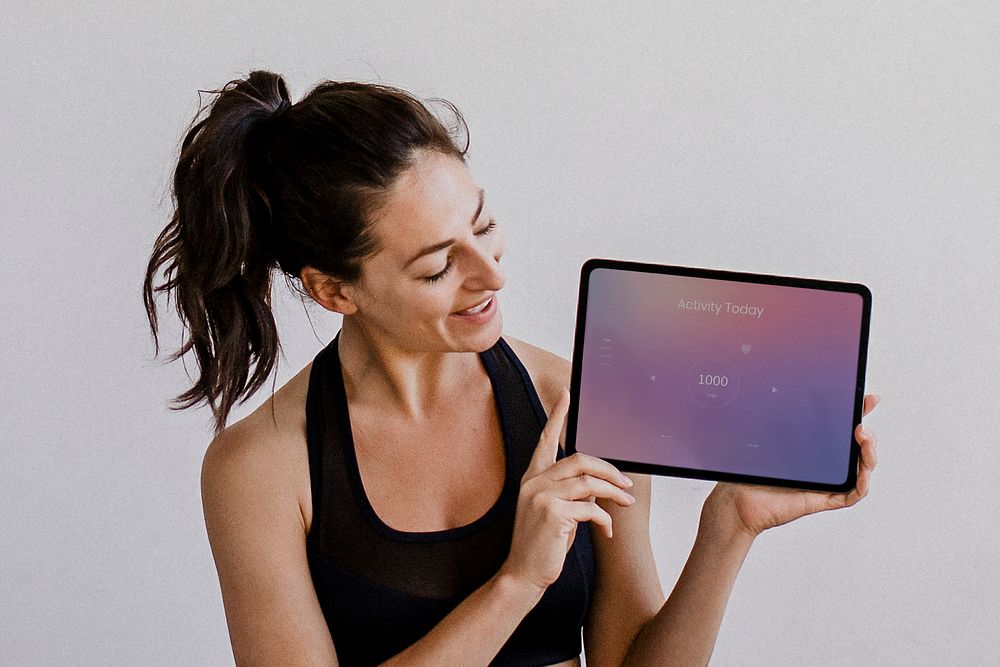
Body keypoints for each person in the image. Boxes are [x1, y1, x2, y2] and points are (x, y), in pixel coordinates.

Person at [142, 70, 880, 667]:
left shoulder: (581, 400)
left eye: (484, 225)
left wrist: (729, 528)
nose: (488, 274)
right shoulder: (261, 467)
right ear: (335, 289)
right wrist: (517, 583)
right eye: (438, 266)